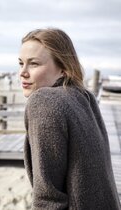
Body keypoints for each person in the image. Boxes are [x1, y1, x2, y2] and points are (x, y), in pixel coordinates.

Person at [18, 28, 121, 209]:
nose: (23, 72)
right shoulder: (84, 96)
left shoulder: (43, 101)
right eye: (21, 63)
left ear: (63, 69)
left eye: (34, 64)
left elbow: (49, 198)